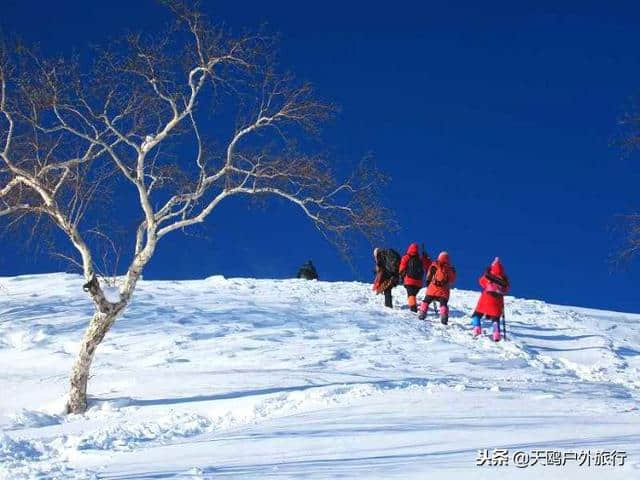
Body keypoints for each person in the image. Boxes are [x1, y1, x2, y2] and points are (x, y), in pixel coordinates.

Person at [470, 257, 510, 341]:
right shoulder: (504, 279)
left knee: (476, 315)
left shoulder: (488, 276)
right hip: (498, 302)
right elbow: (506, 290)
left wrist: (487, 272)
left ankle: (477, 328)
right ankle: (496, 334)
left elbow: (481, 282)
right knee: (495, 319)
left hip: (485, 300)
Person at [418, 251, 456, 324]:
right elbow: (452, 280)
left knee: (426, 301)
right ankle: (444, 317)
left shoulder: (434, 265)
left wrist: (428, 282)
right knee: (443, 304)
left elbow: (429, 275)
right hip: (444, 291)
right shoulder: (450, 269)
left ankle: (422, 313)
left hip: (433, 288)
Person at [398, 243, 431, 312]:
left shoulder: (406, 257)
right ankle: (416, 305)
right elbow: (429, 267)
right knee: (413, 294)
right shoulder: (421, 259)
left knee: (411, 295)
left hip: (409, 280)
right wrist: (426, 258)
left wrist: (401, 276)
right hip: (418, 282)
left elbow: (402, 268)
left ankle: (413, 309)